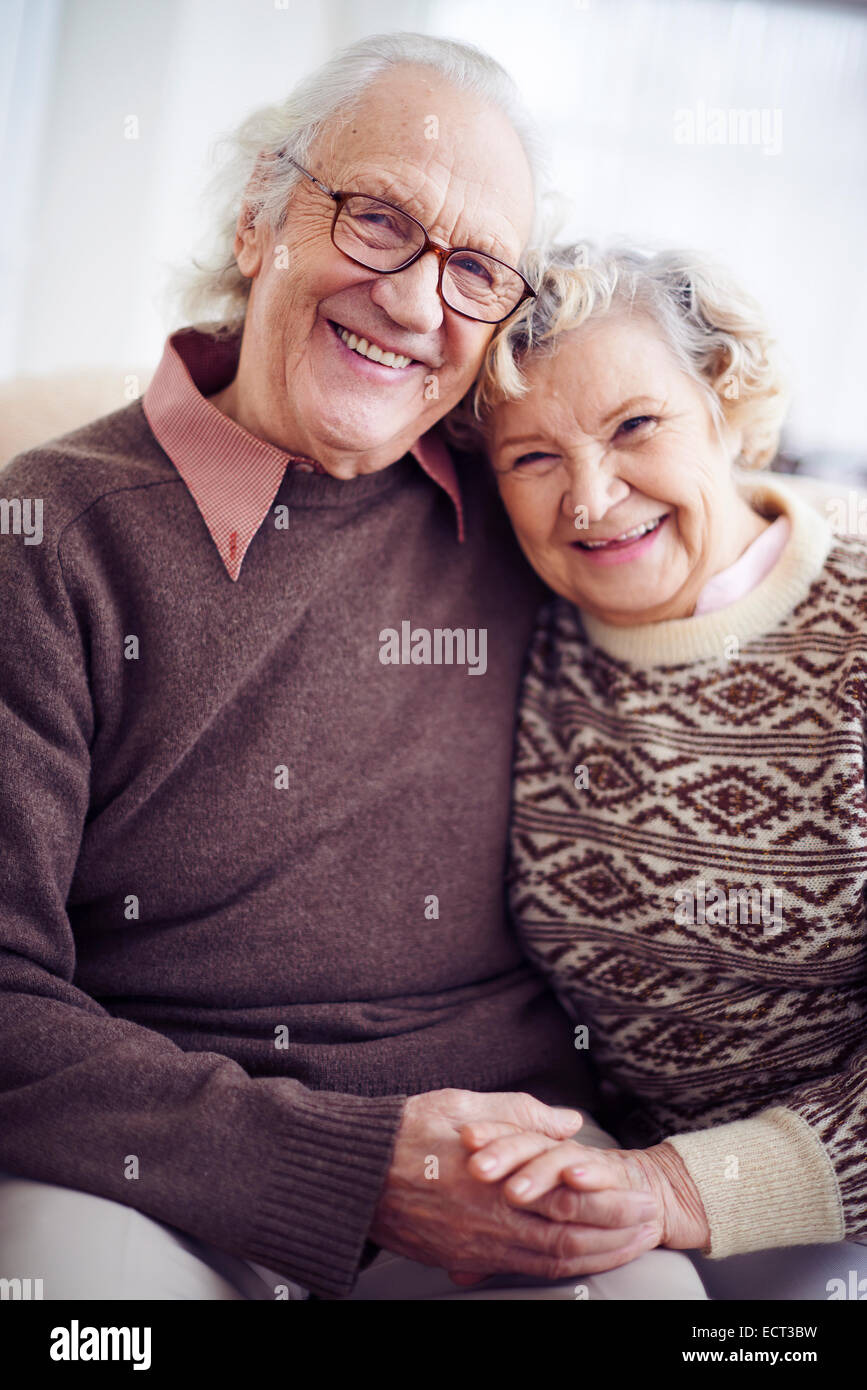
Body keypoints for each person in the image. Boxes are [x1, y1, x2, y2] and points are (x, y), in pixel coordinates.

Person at [0, 36, 705, 1301]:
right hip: (156, 1174)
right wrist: (346, 1163)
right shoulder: (47, 538)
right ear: (258, 216)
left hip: (512, 1157)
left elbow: (727, 534)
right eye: (380, 219)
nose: (421, 305)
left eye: (479, 268)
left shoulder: (531, 505)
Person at [453, 239, 867, 1299]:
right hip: (604, 1199)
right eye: (533, 459)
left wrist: (684, 1187)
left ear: (727, 402)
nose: (589, 498)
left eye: (635, 425)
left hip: (828, 1219)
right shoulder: (523, 629)